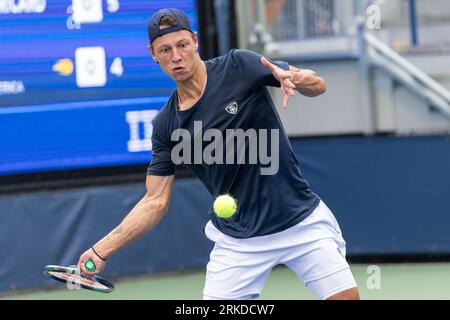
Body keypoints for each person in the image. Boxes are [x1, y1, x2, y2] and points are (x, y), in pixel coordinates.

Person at [77, 8, 360, 300]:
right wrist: (102, 249)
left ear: (195, 42)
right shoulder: (167, 126)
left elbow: (319, 85)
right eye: (165, 49)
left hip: (300, 221)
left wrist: (297, 77)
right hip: (238, 241)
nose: (176, 56)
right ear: (153, 53)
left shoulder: (239, 66)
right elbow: (154, 201)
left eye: (182, 45)